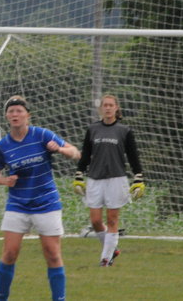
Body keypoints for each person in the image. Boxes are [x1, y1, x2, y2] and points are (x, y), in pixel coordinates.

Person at [0, 96, 80, 301]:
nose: (15, 114)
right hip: (17, 204)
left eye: (19, 111)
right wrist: (4, 181)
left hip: (46, 203)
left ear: (27, 115)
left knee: (52, 254)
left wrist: (60, 149)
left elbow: (75, 152)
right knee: (9, 254)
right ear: (6, 116)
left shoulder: (42, 135)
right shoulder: (3, 145)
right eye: (11, 111)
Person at [72, 94, 144, 267]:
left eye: (111, 105)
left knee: (112, 220)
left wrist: (138, 177)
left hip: (116, 178)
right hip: (95, 178)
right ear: (101, 108)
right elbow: (86, 154)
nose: (108, 108)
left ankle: (105, 259)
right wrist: (79, 174)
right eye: (105, 105)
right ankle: (113, 249)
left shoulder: (124, 130)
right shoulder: (93, 129)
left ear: (116, 108)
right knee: (95, 220)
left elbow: (133, 155)